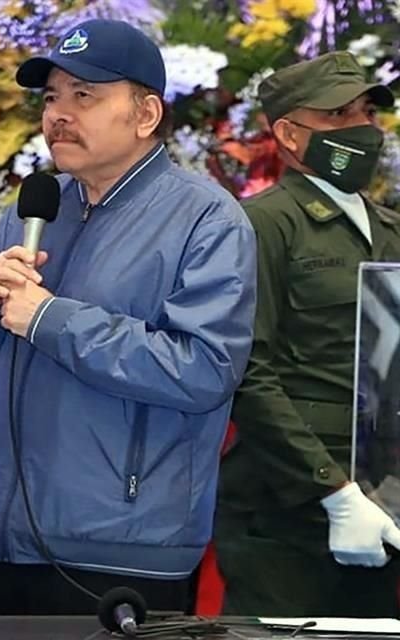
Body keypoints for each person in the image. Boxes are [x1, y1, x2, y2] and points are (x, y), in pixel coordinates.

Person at [0, 18, 257, 616]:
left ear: (145, 116)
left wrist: (51, 319)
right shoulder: (34, 211)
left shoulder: (206, 220)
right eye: (51, 97)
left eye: (84, 96)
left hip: (124, 552)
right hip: (7, 541)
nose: (59, 114)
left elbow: (204, 370)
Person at [215, 51, 400, 617]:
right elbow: (248, 370)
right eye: (338, 114)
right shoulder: (262, 224)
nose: (361, 129)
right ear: (290, 135)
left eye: (366, 111)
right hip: (284, 512)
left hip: (381, 505)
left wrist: (385, 490)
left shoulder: (391, 230)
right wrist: (335, 492)